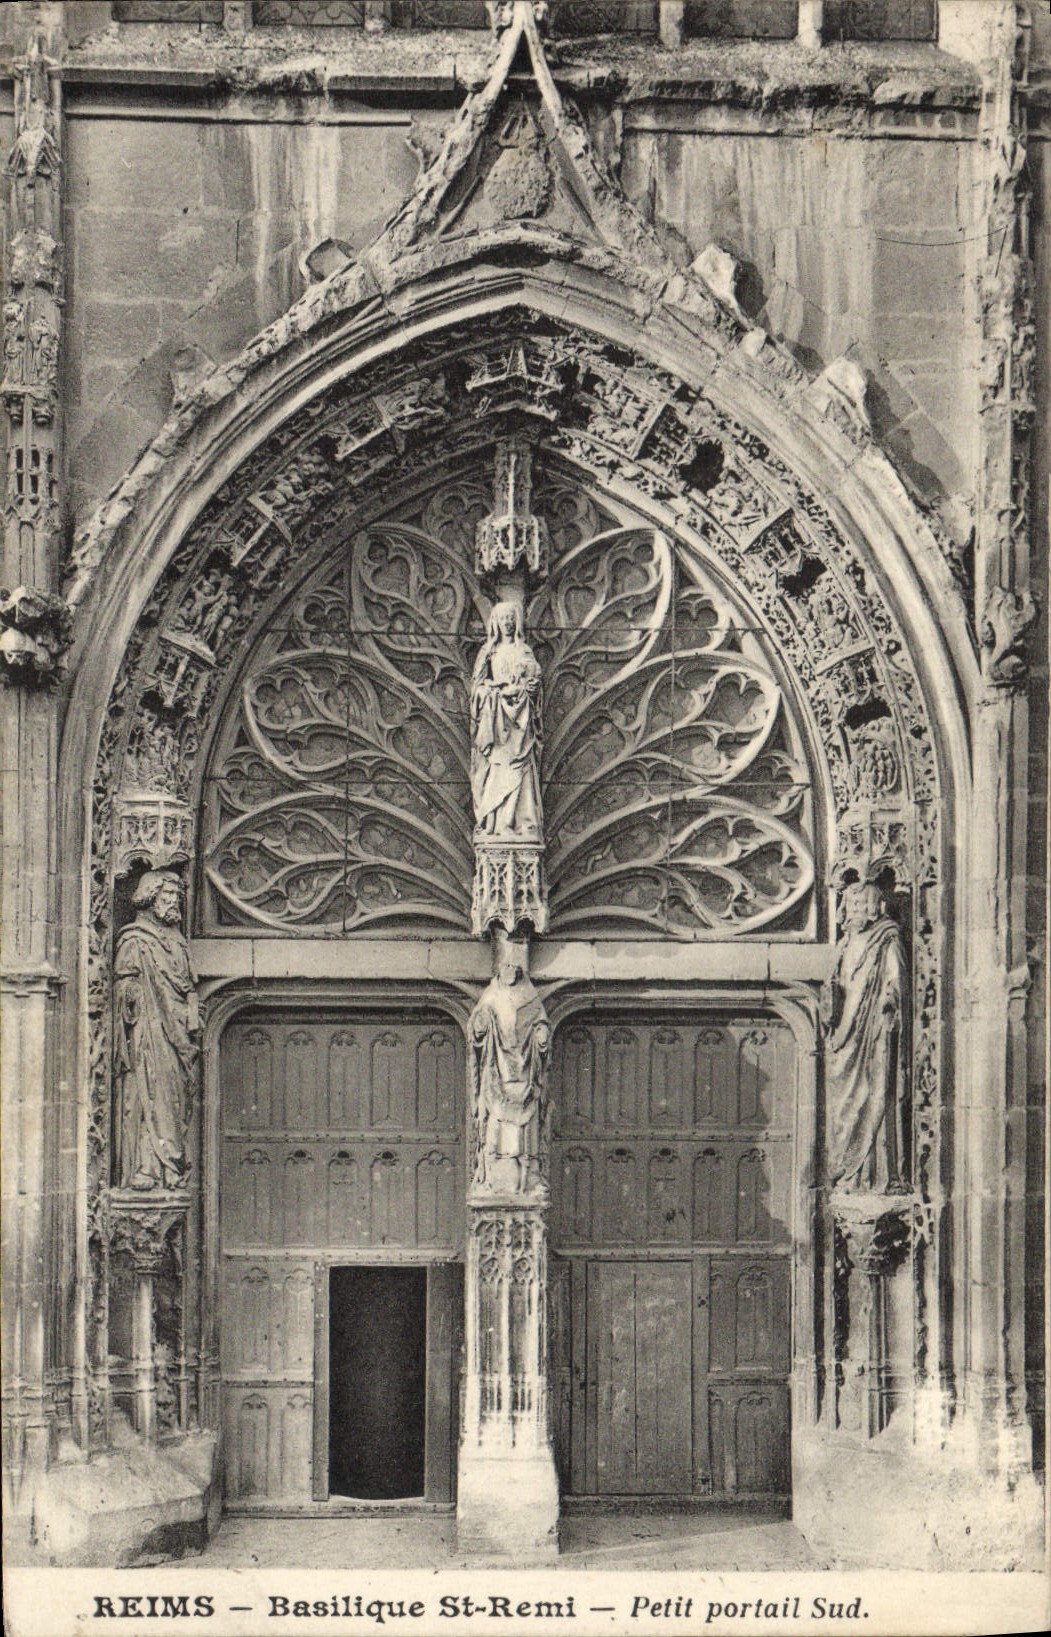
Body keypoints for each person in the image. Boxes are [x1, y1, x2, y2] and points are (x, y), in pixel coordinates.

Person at [114, 871, 198, 1190]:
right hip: (149, 1034)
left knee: (174, 1094)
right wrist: (131, 994)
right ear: (150, 898)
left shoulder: (177, 941)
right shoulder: (135, 939)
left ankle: (171, 1167)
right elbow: (124, 988)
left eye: (177, 897)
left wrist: (191, 1010)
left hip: (177, 1034)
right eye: (167, 896)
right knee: (148, 1091)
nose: (173, 902)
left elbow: (189, 985)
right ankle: (148, 1167)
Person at [826, 881, 908, 1193]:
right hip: (845, 1034)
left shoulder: (886, 939)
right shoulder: (845, 944)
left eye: (864, 905)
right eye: (853, 905)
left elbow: (895, 982)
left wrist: (889, 1001)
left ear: (877, 907)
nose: (857, 911)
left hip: (872, 1033)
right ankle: (846, 1170)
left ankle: (867, 1175)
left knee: (872, 1092)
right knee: (843, 1096)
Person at [470, 963, 551, 1194]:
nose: (509, 975)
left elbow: (541, 1022)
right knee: (496, 1122)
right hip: (497, 1070)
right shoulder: (491, 997)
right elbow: (477, 1026)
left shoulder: (530, 997)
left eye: (514, 972)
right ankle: (494, 1178)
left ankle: (528, 1179)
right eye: (505, 970)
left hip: (525, 1070)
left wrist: (541, 1035)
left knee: (526, 1125)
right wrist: (480, 1028)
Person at [470, 601, 543, 841]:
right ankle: (497, 822)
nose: (508, 624)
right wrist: (494, 693)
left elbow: (535, 681)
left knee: (521, 772)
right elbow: (477, 690)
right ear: (496, 624)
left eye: (512, 619)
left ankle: (517, 823)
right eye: (504, 620)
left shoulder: (524, 651)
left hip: (521, 724)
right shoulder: (489, 653)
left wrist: (531, 690)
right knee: (499, 771)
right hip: (497, 724)